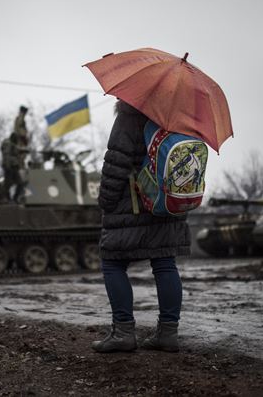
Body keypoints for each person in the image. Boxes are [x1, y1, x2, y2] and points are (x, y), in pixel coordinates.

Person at [91, 100, 191, 353]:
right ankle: (168, 334)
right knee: (165, 263)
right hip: (168, 203)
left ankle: (123, 332)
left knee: (112, 262)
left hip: (132, 204)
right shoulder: (180, 117)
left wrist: (106, 202)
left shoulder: (129, 116)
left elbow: (115, 164)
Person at [0, 132, 25, 203]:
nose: (17, 140)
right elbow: (7, 155)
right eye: (16, 139)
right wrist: (7, 166)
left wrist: (22, 151)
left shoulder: (12, 144)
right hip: (9, 166)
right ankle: (4, 197)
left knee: (20, 183)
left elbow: (15, 150)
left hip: (14, 166)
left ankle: (15, 198)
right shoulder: (8, 144)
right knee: (8, 183)